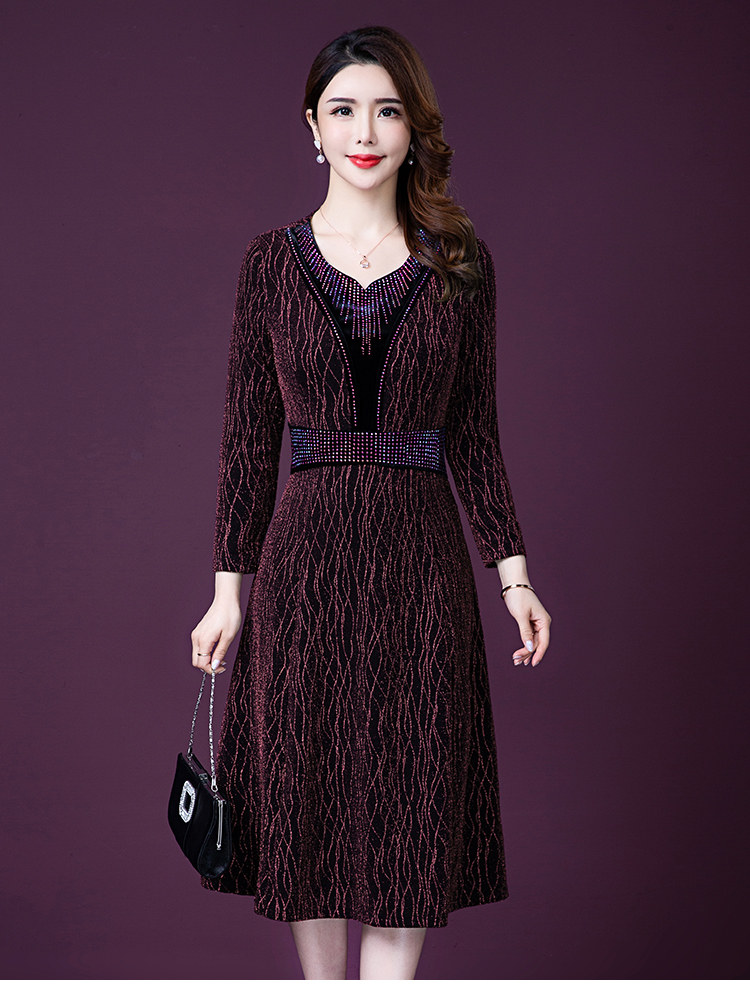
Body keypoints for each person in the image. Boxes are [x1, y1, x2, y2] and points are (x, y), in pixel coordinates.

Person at [189, 24, 552, 981]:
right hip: (303, 570)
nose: (365, 132)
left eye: (387, 111)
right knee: (304, 803)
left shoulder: (460, 263)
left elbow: (475, 436)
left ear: (413, 128)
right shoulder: (270, 265)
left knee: (410, 806)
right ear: (311, 126)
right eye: (343, 110)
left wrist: (514, 577)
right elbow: (246, 443)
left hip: (421, 569)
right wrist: (227, 594)